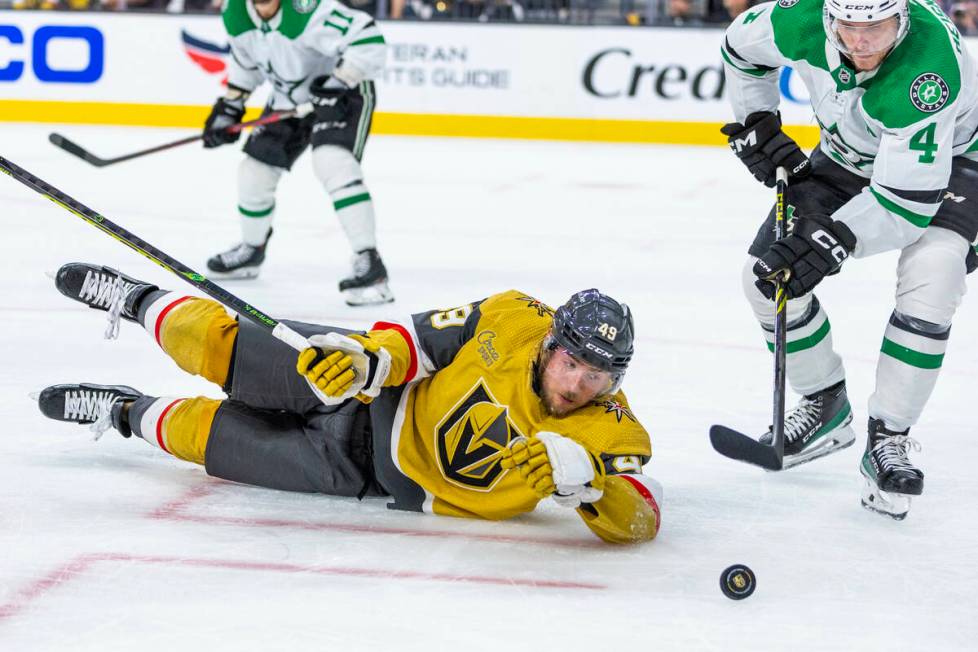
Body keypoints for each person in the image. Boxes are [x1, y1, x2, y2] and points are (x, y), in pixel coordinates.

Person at [36, 263, 662, 544]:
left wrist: (592, 489)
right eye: (572, 363)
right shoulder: (514, 317)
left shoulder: (610, 429)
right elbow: (419, 338)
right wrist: (370, 359)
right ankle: (137, 299)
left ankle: (121, 411)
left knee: (211, 439)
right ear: (551, 344)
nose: (578, 385)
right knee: (216, 342)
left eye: (598, 377)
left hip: (363, 478)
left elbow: (642, 519)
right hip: (361, 387)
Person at [720, 0, 978, 519]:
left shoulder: (927, 72)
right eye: (848, 26)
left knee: (934, 273)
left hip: (954, 165)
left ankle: (889, 438)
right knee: (764, 278)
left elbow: (906, 205)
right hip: (845, 159)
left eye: (876, 27)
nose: (859, 41)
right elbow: (740, 48)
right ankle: (824, 406)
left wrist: (832, 242)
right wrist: (756, 119)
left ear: (901, 21)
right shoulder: (798, 19)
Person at [202, 0, 393, 306]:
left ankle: (370, 262)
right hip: (289, 100)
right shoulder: (235, 12)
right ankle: (252, 250)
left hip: (342, 93)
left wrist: (338, 80)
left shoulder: (308, 9)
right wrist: (230, 106)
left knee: (332, 162)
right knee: (254, 172)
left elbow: (368, 38)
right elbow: (245, 63)